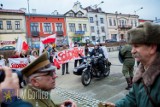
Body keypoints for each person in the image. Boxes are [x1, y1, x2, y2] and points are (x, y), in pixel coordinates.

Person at [105, 22, 160, 107]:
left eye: (136, 46)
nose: (132, 51)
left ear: (152, 48)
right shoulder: (141, 72)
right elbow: (133, 98)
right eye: (132, 46)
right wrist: (117, 106)